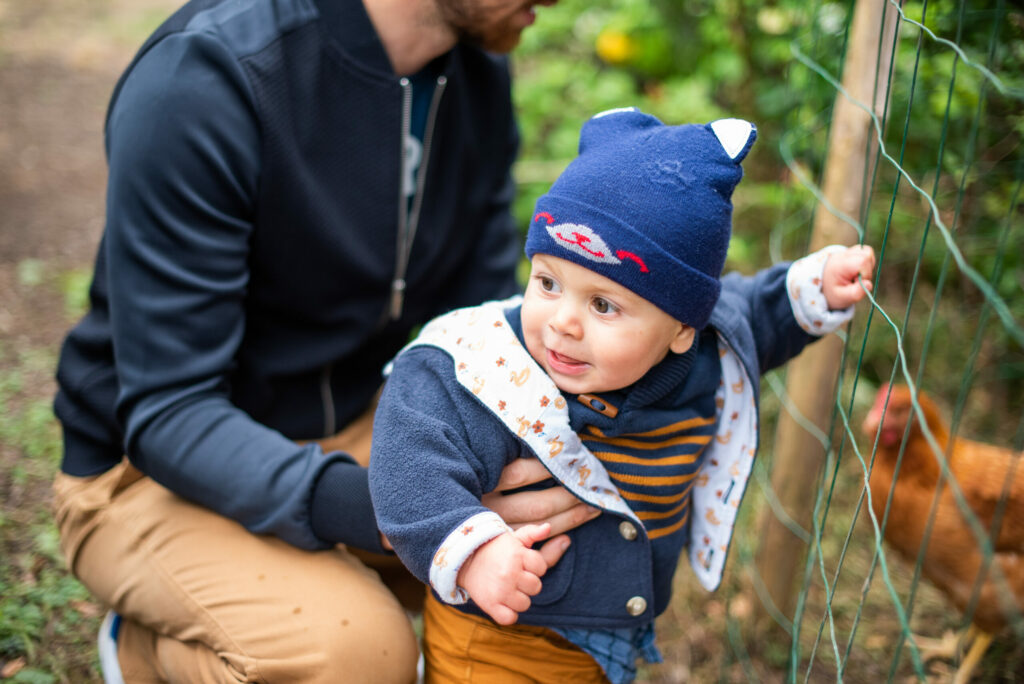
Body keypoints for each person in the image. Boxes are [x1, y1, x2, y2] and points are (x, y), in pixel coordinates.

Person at [50, 0, 595, 681]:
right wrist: (418, 513)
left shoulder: (476, 69)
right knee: (360, 657)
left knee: (565, 539)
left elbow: (474, 333)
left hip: (367, 419)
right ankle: (147, 648)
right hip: (148, 471)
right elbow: (170, 412)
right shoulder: (208, 75)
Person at [369, 108, 877, 683]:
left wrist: (815, 289)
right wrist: (475, 552)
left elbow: (754, 312)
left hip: (615, 634)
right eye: (548, 282)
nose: (563, 323)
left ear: (683, 328)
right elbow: (408, 464)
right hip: (500, 634)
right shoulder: (481, 370)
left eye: (604, 304)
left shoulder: (709, 351)